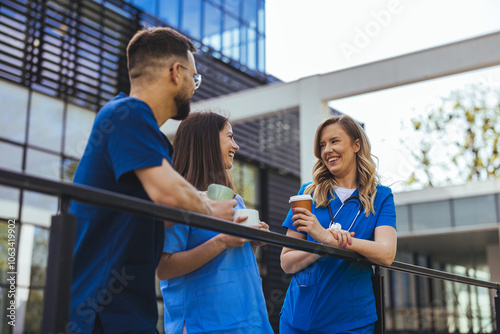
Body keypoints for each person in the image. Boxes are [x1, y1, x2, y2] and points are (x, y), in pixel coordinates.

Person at [68, 28, 236, 333]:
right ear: (176, 72)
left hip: (126, 309)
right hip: (99, 311)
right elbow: (168, 195)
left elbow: (153, 218)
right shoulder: (127, 113)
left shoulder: (147, 135)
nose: (194, 88)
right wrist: (212, 210)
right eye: (194, 78)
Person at [156, 111, 274, 334]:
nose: (236, 146)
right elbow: (164, 268)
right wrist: (222, 242)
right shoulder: (180, 199)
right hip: (203, 324)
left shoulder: (235, 199)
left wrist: (252, 238)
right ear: (207, 142)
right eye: (230, 137)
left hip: (250, 321)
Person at [279, 115, 397, 334]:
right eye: (322, 145)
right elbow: (286, 262)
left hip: (351, 322)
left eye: (334, 141)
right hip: (298, 320)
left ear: (356, 145)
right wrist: (321, 248)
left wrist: (329, 237)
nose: (327, 150)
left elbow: (386, 253)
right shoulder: (307, 195)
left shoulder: (381, 197)